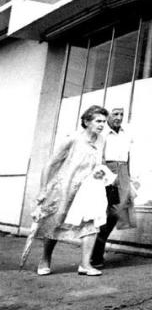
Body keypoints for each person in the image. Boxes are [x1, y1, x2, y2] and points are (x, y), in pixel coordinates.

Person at [34, 105, 111, 276]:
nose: (101, 125)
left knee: (91, 223)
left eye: (104, 122)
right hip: (65, 188)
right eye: (98, 121)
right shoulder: (73, 138)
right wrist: (43, 189)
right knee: (56, 222)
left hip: (89, 188)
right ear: (86, 121)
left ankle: (85, 265)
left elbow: (99, 162)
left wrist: (100, 170)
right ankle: (45, 259)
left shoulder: (102, 140)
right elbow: (50, 164)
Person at [91, 106, 136, 269]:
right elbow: (98, 157)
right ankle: (95, 254)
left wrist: (131, 179)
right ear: (108, 115)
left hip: (123, 172)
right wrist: (106, 177)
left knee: (117, 213)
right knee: (105, 213)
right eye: (115, 113)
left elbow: (129, 156)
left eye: (122, 114)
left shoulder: (126, 133)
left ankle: (95, 251)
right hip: (107, 172)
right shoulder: (102, 133)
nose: (119, 117)